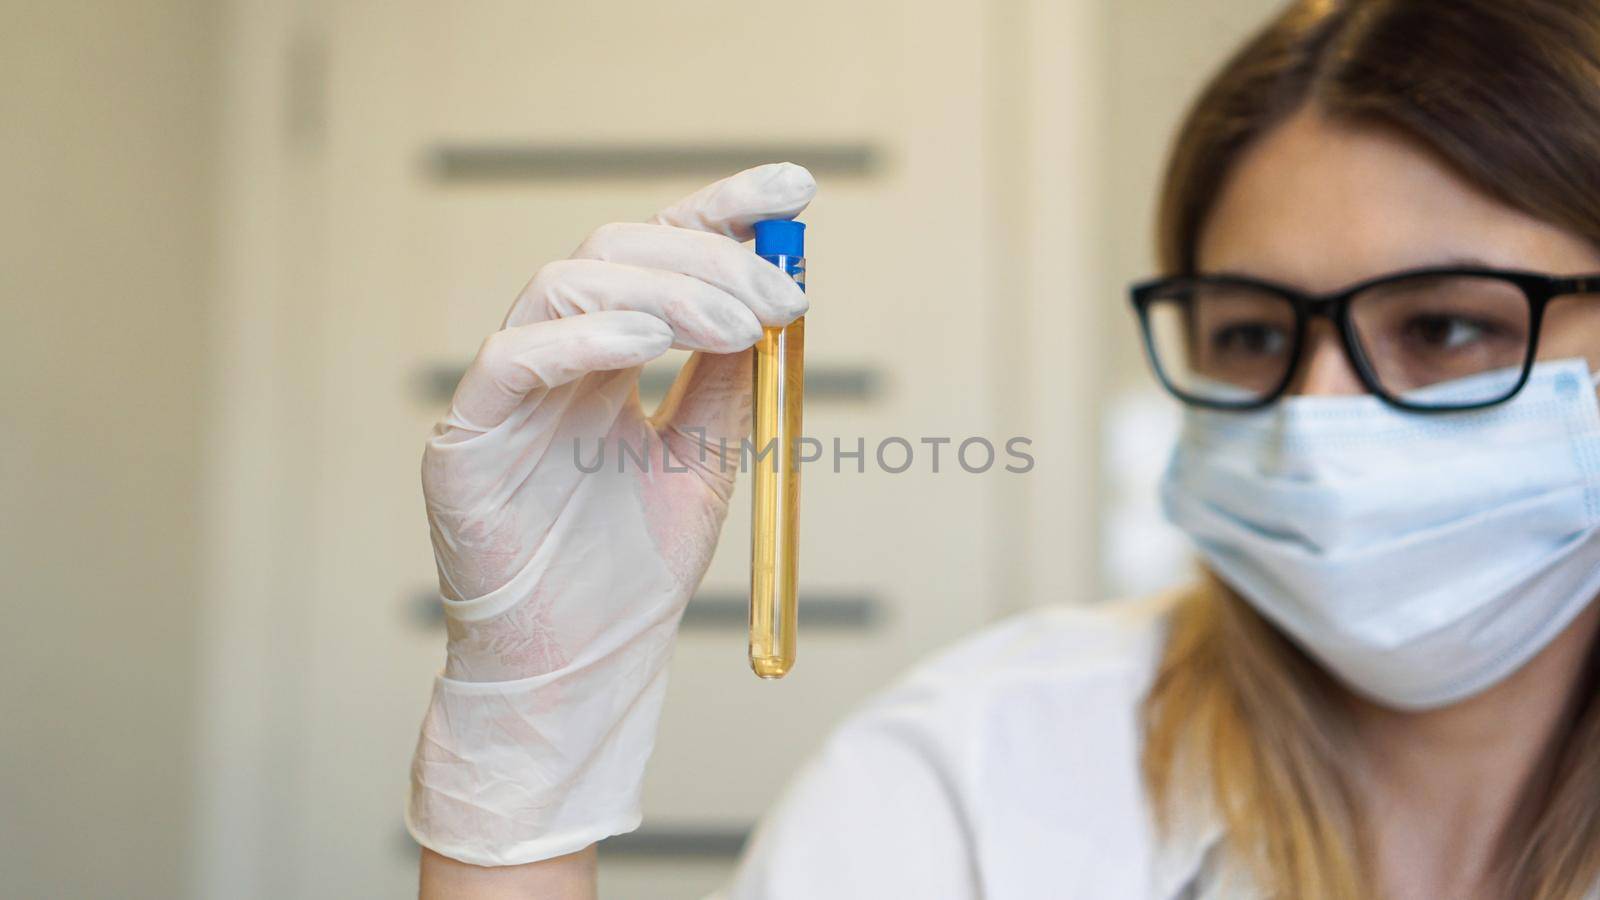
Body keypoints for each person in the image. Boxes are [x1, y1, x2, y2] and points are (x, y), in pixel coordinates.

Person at [405, 1, 1600, 897]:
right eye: (1249, 333)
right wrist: (527, 765)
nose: (1317, 409)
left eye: (1447, 327)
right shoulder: (970, 778)